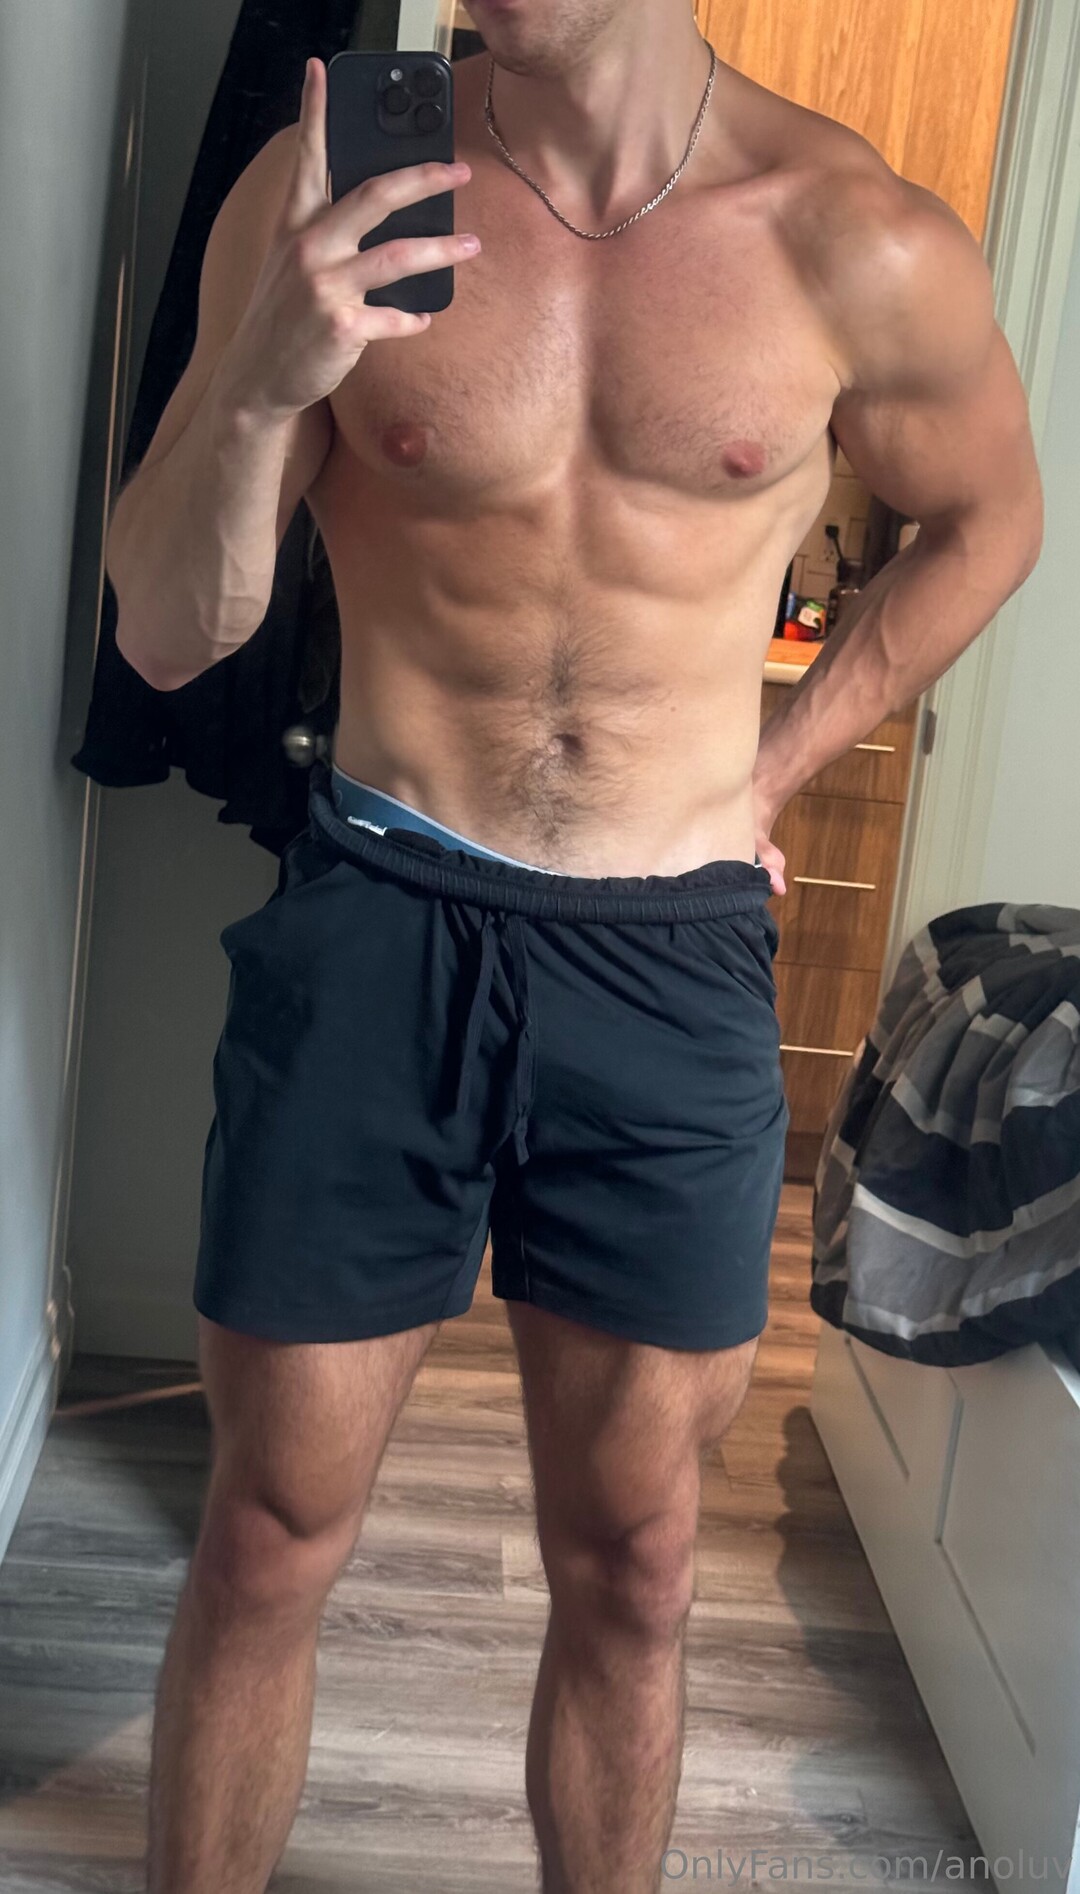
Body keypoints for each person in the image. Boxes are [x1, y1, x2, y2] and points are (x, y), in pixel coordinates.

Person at [104, 3, 1043, 1889]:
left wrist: (771, 770)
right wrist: (267, 383)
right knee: (267, 1532)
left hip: (666, 959)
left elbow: (989, 519)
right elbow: (167, 629)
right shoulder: (327, 196)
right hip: (381, 909)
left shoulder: (855, 238)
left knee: (636, 1563)